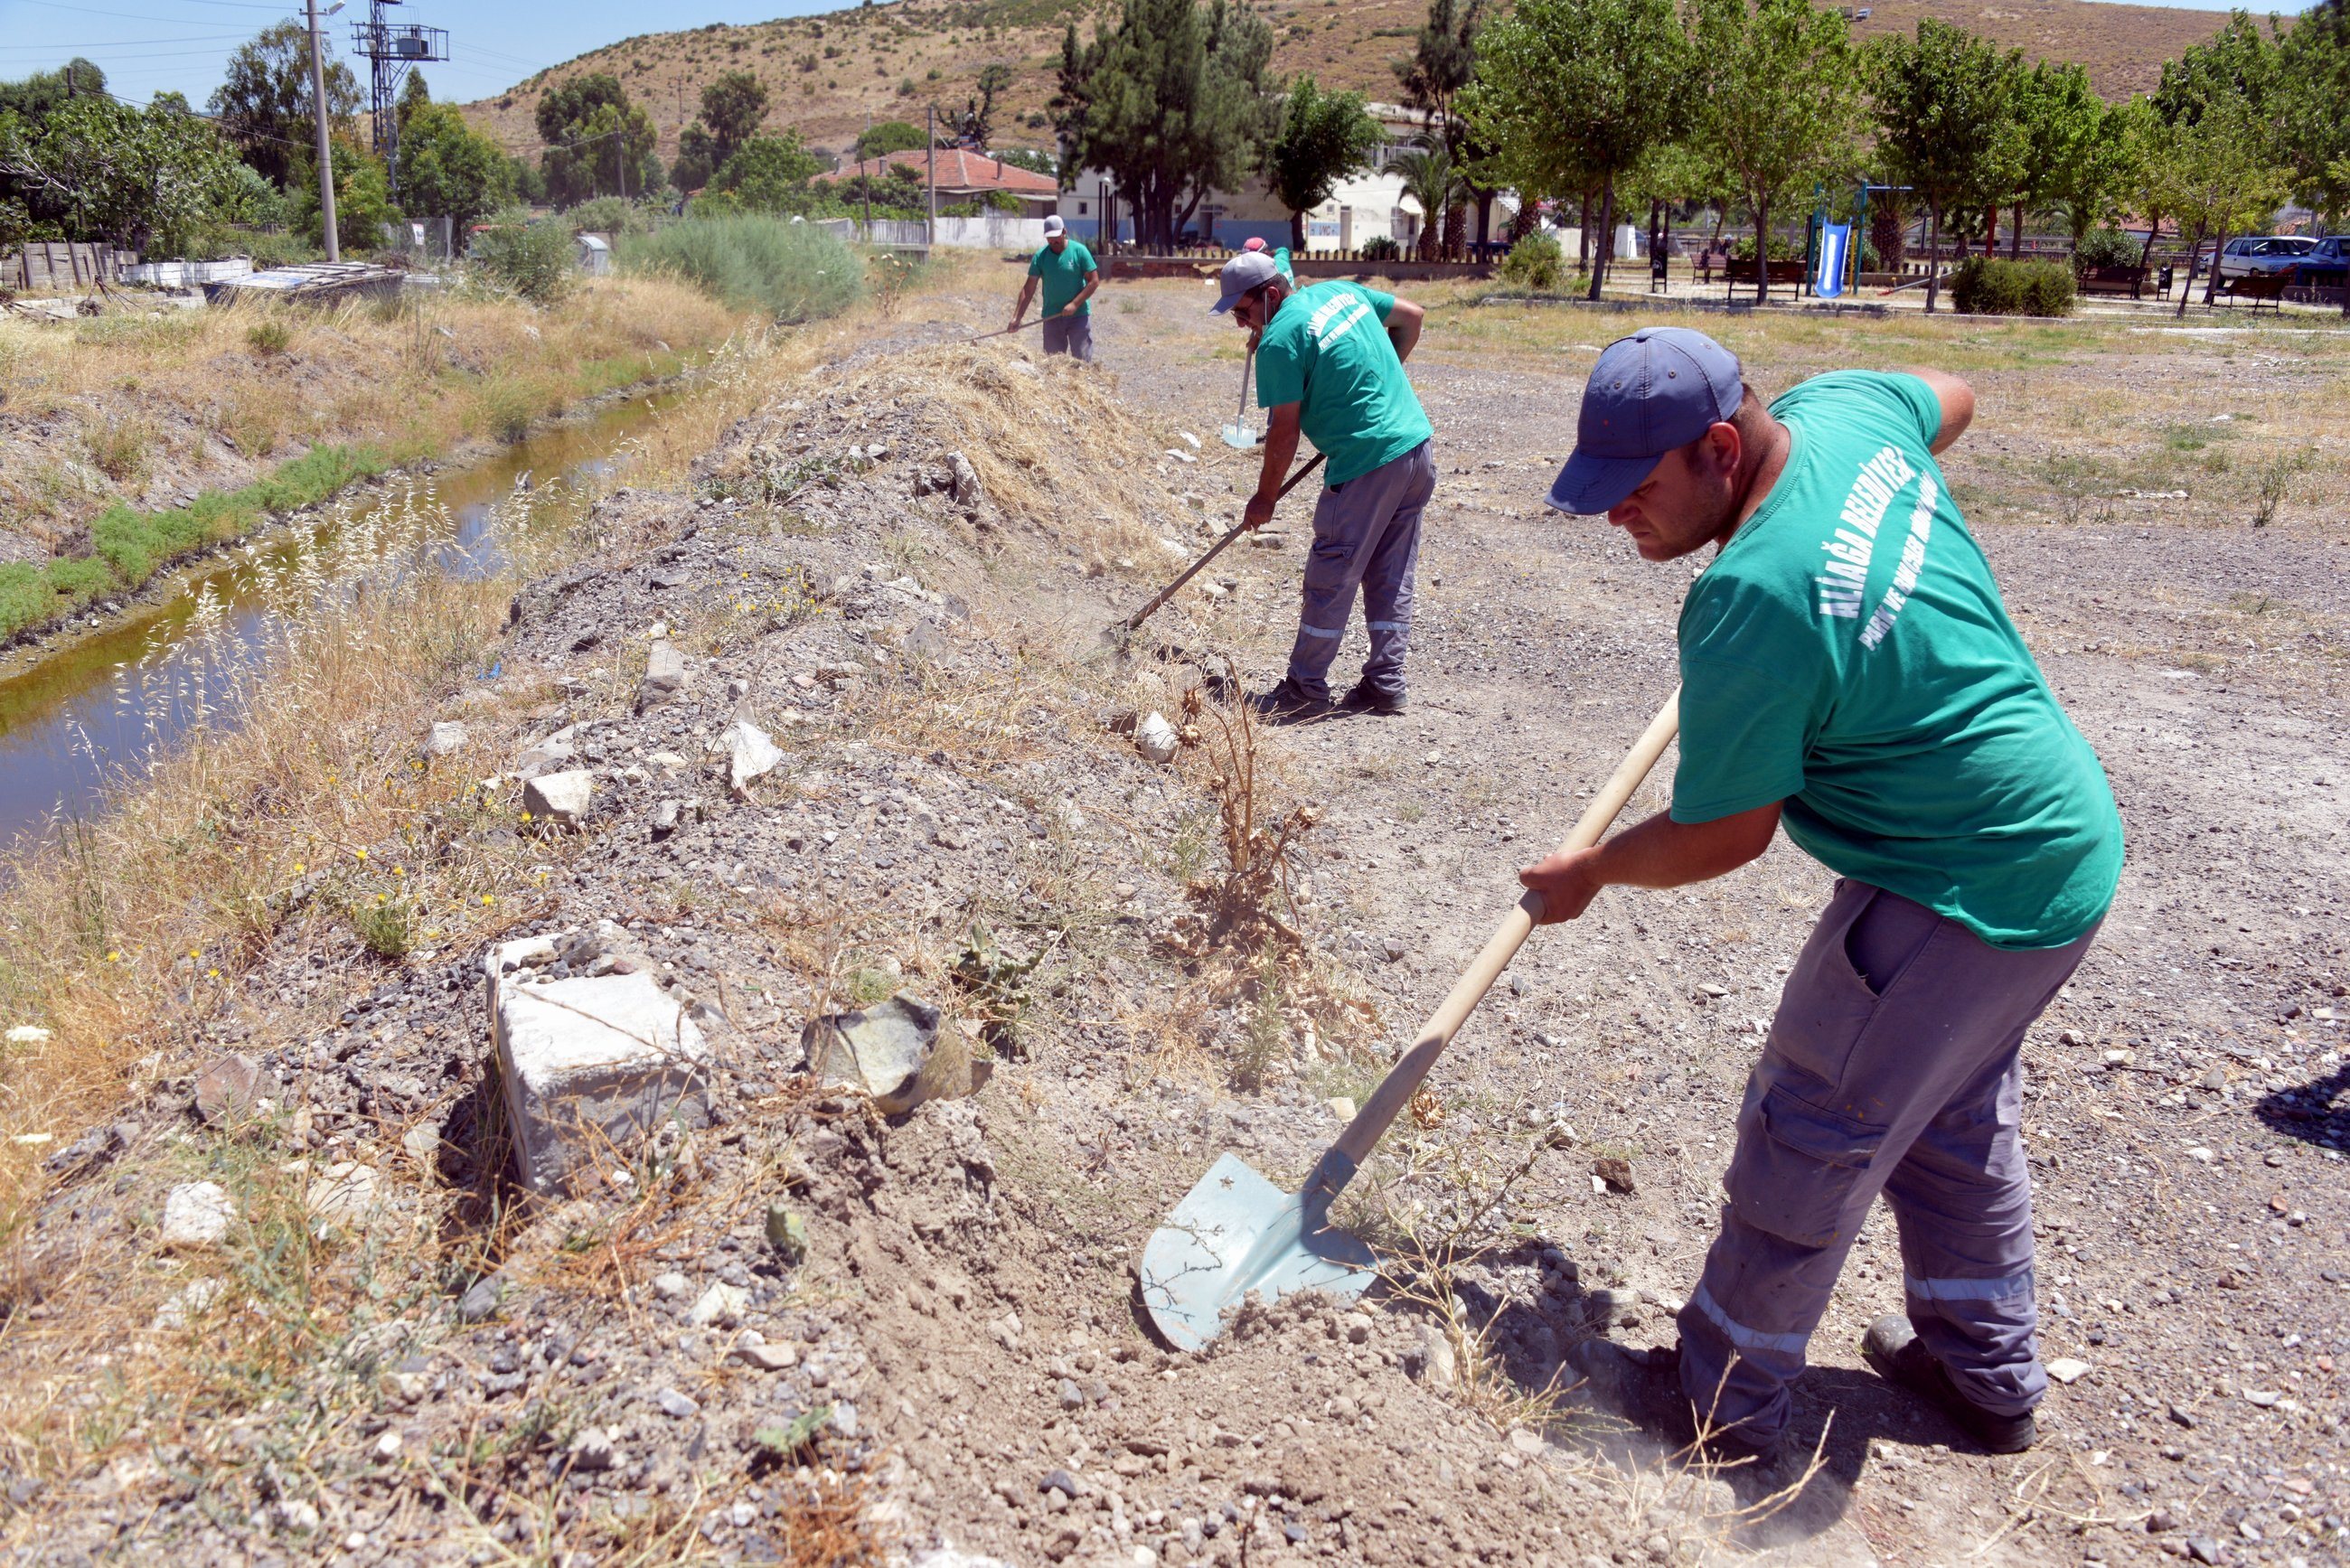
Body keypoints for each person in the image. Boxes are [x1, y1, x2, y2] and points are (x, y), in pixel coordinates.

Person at [1518, 327, 2123, 1462]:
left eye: (1636, 490)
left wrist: (1590, 872)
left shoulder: (1752, 599)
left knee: (1817, 1117)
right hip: (2058, 840)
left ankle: (1720, 1403)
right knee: (1946, 1111)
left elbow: (1722, 834)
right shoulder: (1842, 411)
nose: (1616, 518)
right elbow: (1952, 394)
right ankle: (1982, 1370)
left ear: (1716, 445)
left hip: (1958, 879)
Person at [1209, 249, 1434, 719]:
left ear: (1270, 294)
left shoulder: (1279, 342)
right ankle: (1384, 683)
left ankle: (1305, 688)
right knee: (1391, 572)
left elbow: (1284, 432)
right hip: (1415, 448)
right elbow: (1412, 318)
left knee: (1332, 573)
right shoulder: (1341, 291)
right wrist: (1374, 389)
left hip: (1366, 462)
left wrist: (1264, 498)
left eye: (1242, 311)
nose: (1239, 323)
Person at [1010, 214, 1100, 361]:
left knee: (1082, 364)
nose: (1053, 241)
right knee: (1052, 365)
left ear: (1064, 232)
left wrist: (1074, 304)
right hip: (1052, 317)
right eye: (1049, 238)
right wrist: (1016, 318)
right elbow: (1028, 289)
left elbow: (1094, 281)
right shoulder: (1040, 257)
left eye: (1056, 237)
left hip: (1078, 316)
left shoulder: (1079, 251)